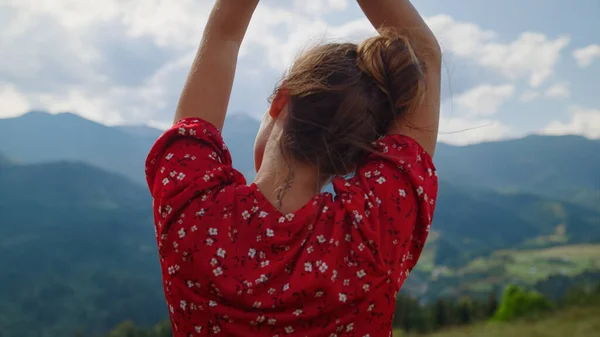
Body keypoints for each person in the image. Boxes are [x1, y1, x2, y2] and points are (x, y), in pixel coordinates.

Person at [145, 0, 441, 336]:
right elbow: (425, 53)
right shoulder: (372, 232)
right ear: (358, 155)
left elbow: (222, 36)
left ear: (280, 101)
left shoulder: (190, 209)